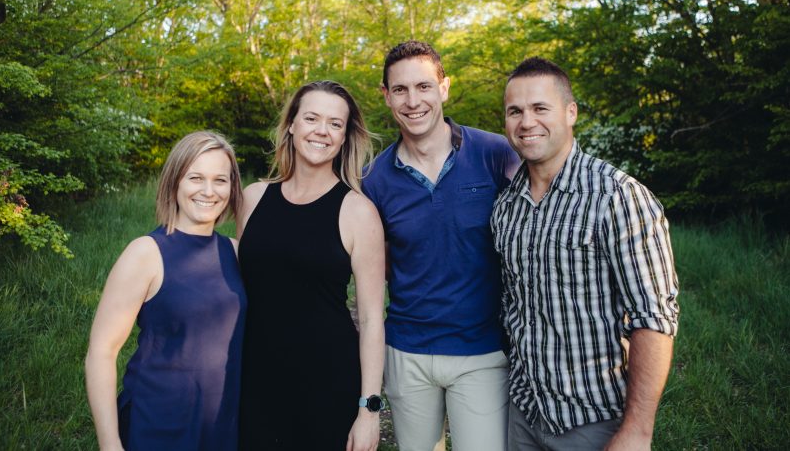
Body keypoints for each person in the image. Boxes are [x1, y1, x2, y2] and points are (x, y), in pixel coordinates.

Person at [491, 57, 680, 450]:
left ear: (570, 112)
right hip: (525, 413)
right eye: (515, 111)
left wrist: (637, 431)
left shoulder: (618, 196)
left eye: (540, 108)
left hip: (595, 421)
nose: (527, 122)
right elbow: (513, 307)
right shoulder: (506, 206)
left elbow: (654, 318)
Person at [362, 40, 519, 451]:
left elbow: (544, 219)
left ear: (444, 88)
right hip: (407, 353)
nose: (413, 101)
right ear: (386, 96)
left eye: (424, 86)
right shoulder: (373, 181)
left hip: (482, 352)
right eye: (400, 90)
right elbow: (368, 279)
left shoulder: (495, 155)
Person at [237, 80, 386, 451]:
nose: (322, 131)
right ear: (291, 124)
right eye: (312, 118)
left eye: (335, 124)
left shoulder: (358, 211)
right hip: (255, 380)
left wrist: (369, 412)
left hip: (327, 384)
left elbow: (370, 320)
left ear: (345, 136)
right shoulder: (252, 198)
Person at [85, 131, 247, 450]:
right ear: (174, 182)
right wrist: (109, 443)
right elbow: (101, 353)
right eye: (195, 178)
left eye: (220, 180)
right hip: (157, 424)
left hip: (221, 425)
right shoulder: (145, 253)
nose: (208, 191)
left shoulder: (237, 252)